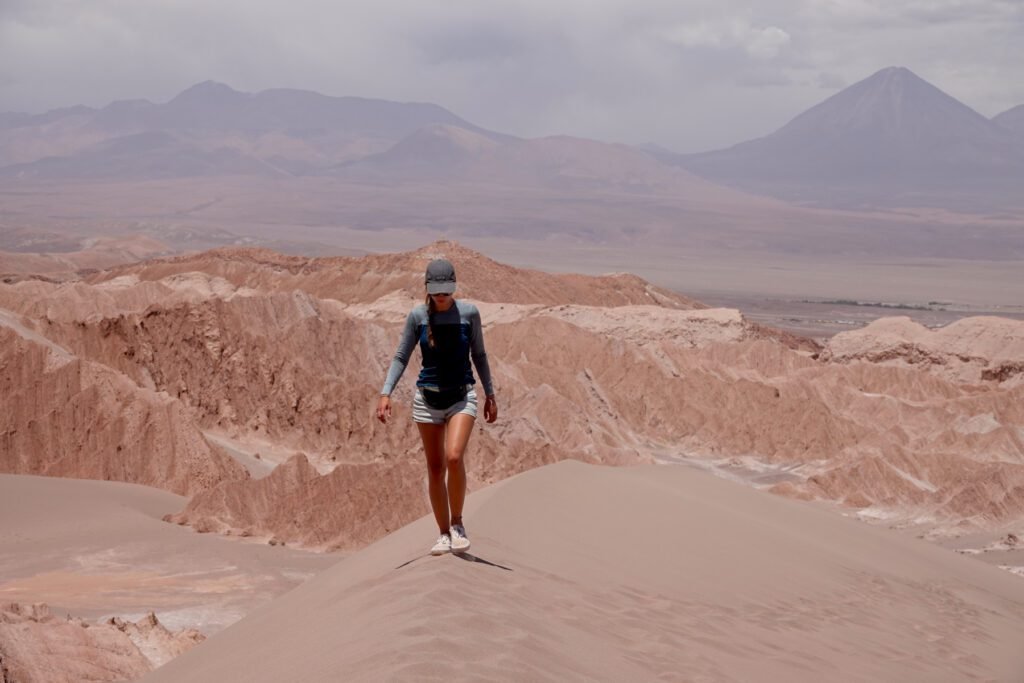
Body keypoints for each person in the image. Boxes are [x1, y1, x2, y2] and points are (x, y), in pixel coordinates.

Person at [376, 258, 497, 556]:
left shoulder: (469, 313)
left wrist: (490, 393)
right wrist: (386, 392)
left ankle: (457, 524)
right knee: (434, 468)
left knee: (454, 458)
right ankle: (443, 534)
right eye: (436, 290)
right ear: (427, 288)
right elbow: (401, 356)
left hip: (461, 396)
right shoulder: (417, 316)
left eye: (446, 289)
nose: (441, 295)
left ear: (453, 286)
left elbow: (479, 354)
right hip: (426, 401)